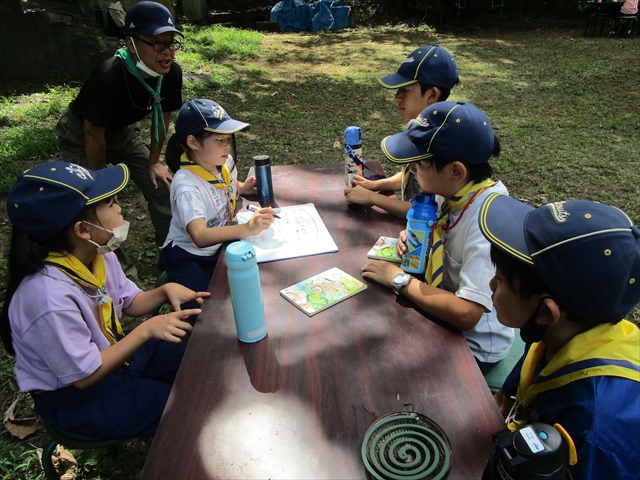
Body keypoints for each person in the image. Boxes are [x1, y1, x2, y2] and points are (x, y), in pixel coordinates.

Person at [0, 161, 210, 439]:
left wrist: (164, 290)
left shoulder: (98, 254)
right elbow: (83, 376)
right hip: (75, 396)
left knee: (199, 364)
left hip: (112, 357)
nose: (119, 206)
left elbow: (130, 302)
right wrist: (147, 330)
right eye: (110, 203)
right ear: (82, 230)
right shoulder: (48, 298)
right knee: (184, 408)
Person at [478, 193, 640, 480]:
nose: (490, 284)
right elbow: (507, 401)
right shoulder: (555, 338)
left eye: (500, 280)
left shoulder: (594, 428)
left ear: (547, 312)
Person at [362, 101, 514, 373]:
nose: (413, 170)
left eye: (419, 164)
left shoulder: (487, 220)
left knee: (382, 365)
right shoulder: (456, 191)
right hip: (440, 309)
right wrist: (416, 238)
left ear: (455, 170)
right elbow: (443, 233)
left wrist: (399, 280)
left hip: (472, 346)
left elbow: (467, 313)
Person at [55, 1, 183, 279]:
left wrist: (153, 161)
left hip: (123, 132)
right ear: (131, 42)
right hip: (82, 134)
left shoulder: (171, 74)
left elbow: (161, 120)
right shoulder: (108, 76)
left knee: (161, 185)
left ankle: (172, 254)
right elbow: (93, 133)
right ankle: (121, 275)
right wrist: (101, 182)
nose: (167, 53)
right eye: (157, 44)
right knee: (97, 206)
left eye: (171, 44)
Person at [161, 98, 277, 300]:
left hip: (221, 245)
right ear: (192, 142)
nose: (228, 148)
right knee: (208, 308)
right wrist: (247, 228)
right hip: (190, 258)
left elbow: (223, 186)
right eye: (219, 140)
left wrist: (242, 187)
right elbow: (200, 236)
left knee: (249, 288)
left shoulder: (223, 163)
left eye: (228, 139)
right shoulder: (186, 186)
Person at [344, 45, 459, 218]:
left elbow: (428, 212)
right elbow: (412, 175)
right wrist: (377, 185)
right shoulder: (418, 126)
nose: (397, 96)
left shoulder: (441, 142)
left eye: (405, 90)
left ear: (432, 95)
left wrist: (371, 197)